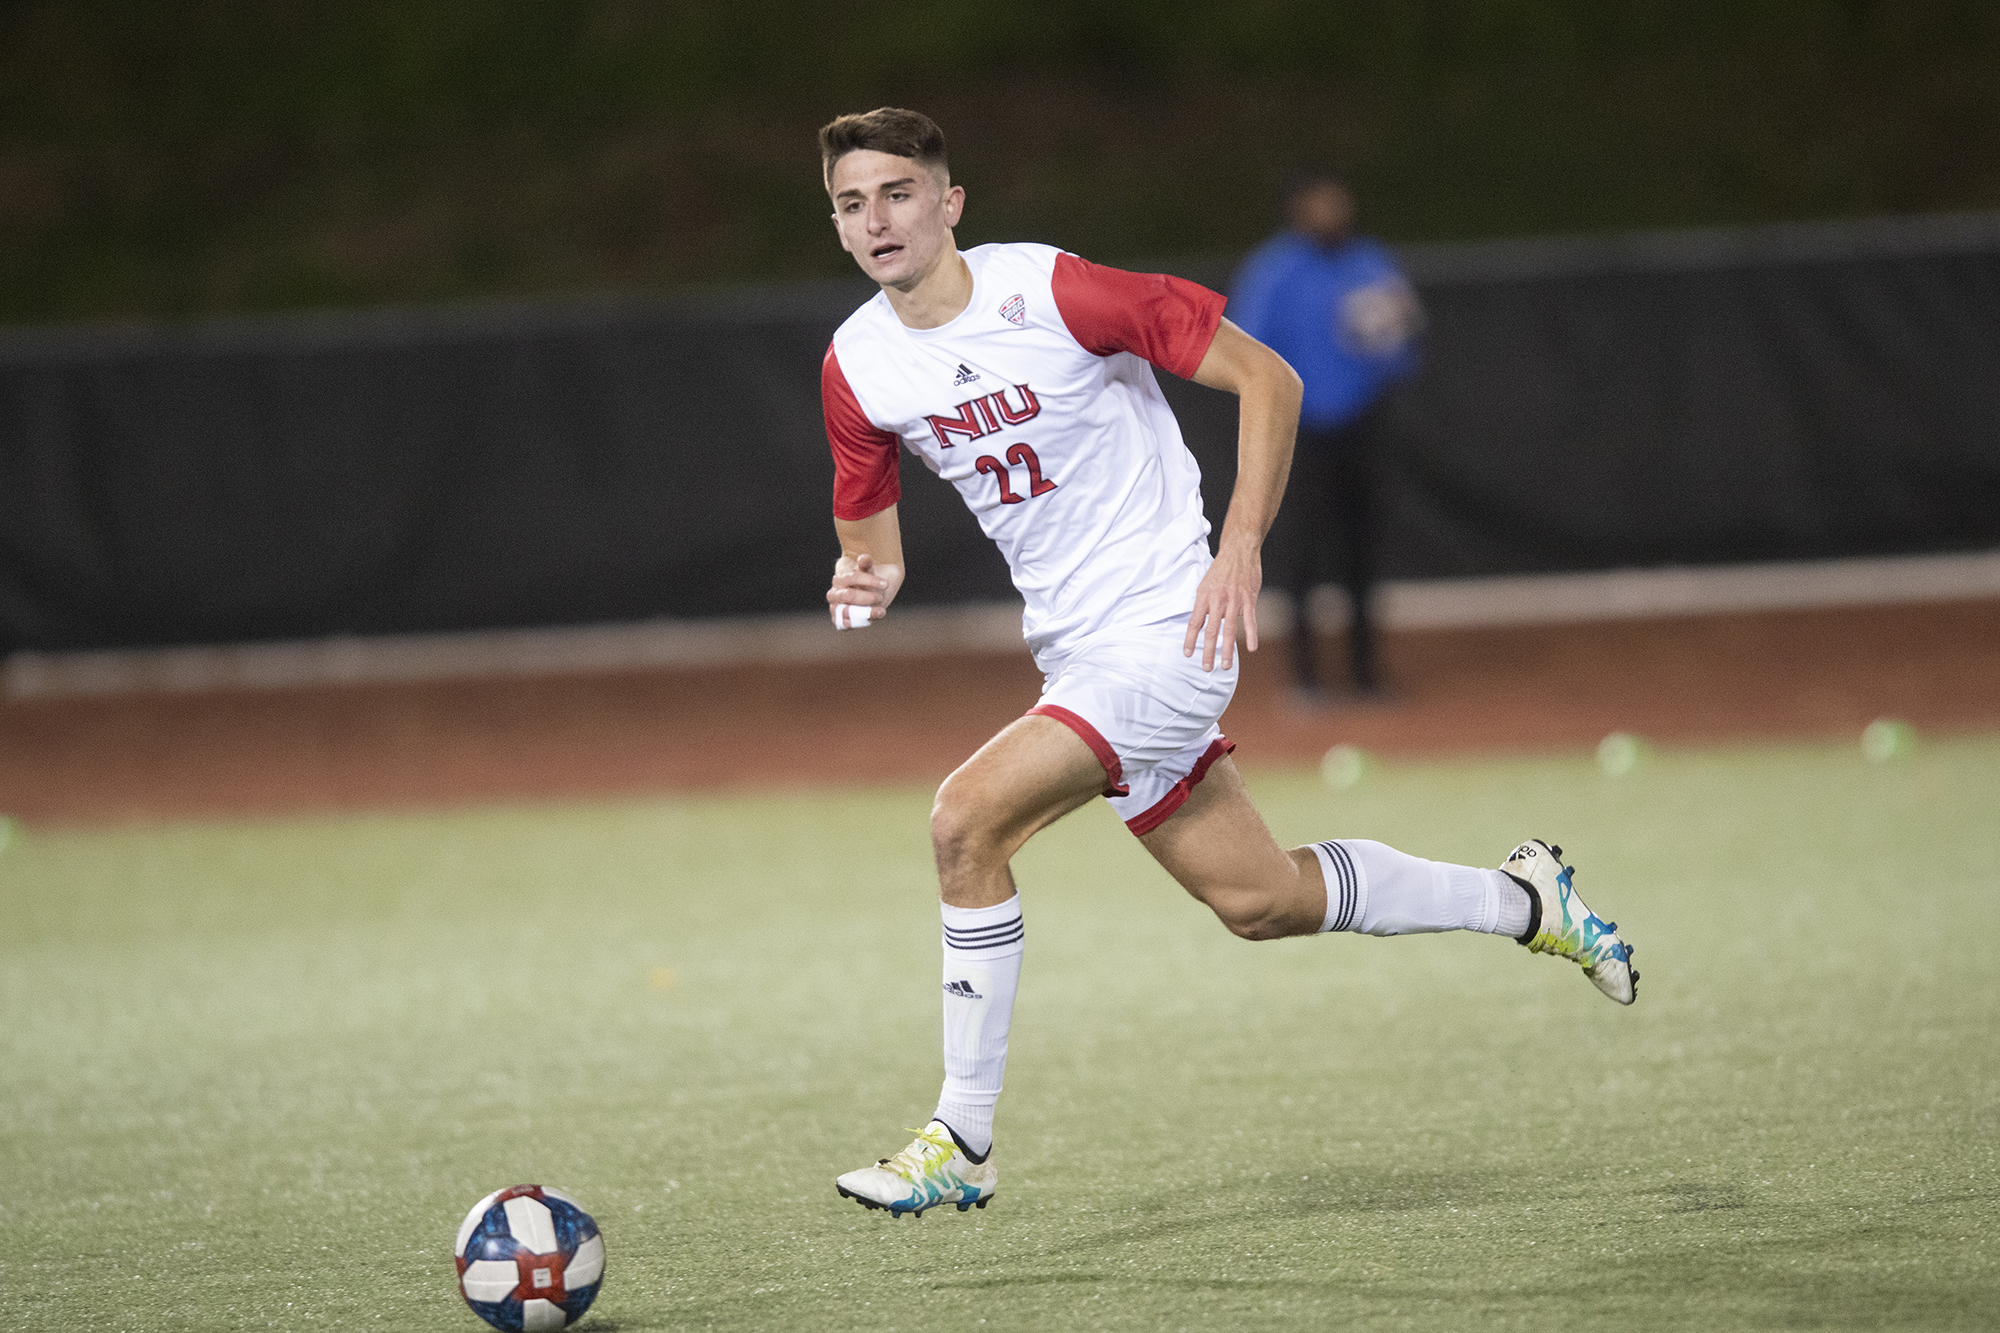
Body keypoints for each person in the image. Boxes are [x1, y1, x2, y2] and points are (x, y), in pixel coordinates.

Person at [814, 108, 1636, 1219]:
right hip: (1078, 657)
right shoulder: (857, 364)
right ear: (837, 225)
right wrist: (864, 577)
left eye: (898, 192)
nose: (877, 219)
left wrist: (1240, 544)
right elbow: (871, 545)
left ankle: (962, 1136)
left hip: (1170, 630)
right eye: (852, 203)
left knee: (964, 823)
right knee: (1262, 899)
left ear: (949, 203)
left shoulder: (1054, 291)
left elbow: (1269, 378)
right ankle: (1525, 898)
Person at [1229, 171, 1424, 696]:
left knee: (1362, 549)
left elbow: (1403, 351)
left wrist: (1390, 338)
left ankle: (1366, 675)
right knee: (1302, 554)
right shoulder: (1273, 271)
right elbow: (1247, 353)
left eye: (1338, 205)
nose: (1331, 216)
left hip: (1361, 427)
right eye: (1319, 206)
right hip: (1298, 434)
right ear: (1298, 212)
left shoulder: (1371, 264)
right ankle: (1306, 678)